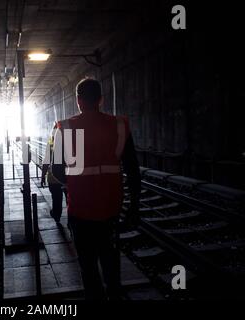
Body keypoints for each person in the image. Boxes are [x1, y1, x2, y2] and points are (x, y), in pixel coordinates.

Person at [52, 78, 141, 300]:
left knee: (88, 269)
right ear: (101, 100)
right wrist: (134, 206)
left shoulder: (66, 127)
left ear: (78, 101)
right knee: (111, 265)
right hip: (110, 208)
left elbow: (57, 170)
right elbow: (132, 170)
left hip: (80, 210)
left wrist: (75, 182)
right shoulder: (119, 126)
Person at [40, 123, 67, 223]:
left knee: (56, 199)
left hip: (54, 177)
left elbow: (46, 161)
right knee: (70, 199)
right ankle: (71, 222)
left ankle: (56, 215)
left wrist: (43, 176)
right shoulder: (69, 142)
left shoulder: (51, 142)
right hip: (67, 177)